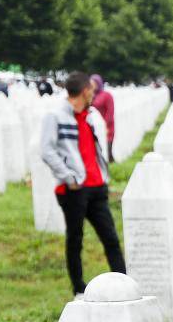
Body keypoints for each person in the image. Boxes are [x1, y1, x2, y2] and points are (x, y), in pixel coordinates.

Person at [40, 72, 125, 296]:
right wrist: (68, 177)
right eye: (92, 91)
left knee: (111, 238)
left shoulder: (90, 115)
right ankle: (79, 288)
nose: (94, 95)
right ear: (85, 91)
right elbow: (47, 150)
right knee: (75, 238)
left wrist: (104, 177)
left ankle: (125, 284)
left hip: (97, 186)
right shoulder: (56, 116)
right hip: (74, 189)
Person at [89, 75, 115, 163]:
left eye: (94, 84)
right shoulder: (91, 95)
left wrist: (106, 125)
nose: (92, 86)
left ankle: (110, 162)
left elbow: (110, 111)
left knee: (108, 144)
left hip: (107, 124)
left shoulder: (107, 95)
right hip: (95, 124)